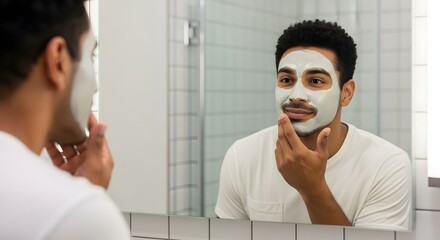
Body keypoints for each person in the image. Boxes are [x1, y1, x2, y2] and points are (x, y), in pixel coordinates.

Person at [215, 19, 412, 231]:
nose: (296, 96)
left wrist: (312, 189)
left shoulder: (387, 165)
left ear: (346, 93)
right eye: (286, 80)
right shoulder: (242, 155)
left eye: (316, 81)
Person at [0, 0, 130, 239]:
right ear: (58, 60)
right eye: (91, 56)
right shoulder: (82, 216)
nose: (96, 86)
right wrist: (83, 203)